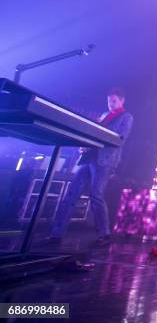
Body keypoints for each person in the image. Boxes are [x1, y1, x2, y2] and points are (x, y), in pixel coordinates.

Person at [49, 87, 133, 247]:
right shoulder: (104, 115)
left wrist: (96, 138)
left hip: (105, 161)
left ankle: (105, 233)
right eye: (109, 101)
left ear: (122, 101)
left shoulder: (126, 117)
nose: (110, 103)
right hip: (88, 158)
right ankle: (56, 234)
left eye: (114, 101)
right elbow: (92, 135)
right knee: (71, 195)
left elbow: (120, 139)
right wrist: (84, 145)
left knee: (96, 195)